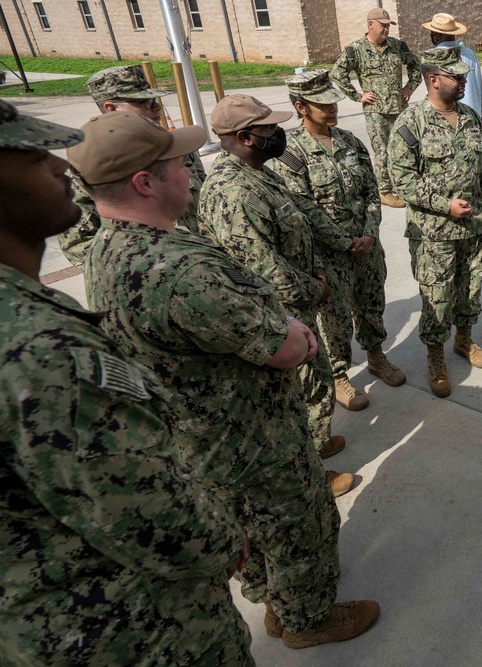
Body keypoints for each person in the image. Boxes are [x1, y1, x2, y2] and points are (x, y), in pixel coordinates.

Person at [70, 110, 378, 650]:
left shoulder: (107, 250)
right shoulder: (178, 270)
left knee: (253, 532)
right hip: (251, 438)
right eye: (179, 164)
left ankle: (278, 604)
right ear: (145, 182)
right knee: (299, 527)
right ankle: (308, 619)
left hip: (201, 439)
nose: (192, 169)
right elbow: (287, 348)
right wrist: (301, 335)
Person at [0, 99, 253, 666]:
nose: (61, 167)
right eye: (30, 154)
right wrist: (225, 541)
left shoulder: (38, 305)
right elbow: (157, 516)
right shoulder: (39, 352)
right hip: (137, 633)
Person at [198, 94, 353, 478]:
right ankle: (311, 470)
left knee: (312, 383)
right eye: (269, 128)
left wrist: (313, 269)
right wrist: (316, 289)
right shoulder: (235, 192)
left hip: (293, 303)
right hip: (275, 313)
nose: (279, 132)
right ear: (247, 136)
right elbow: (264, 270)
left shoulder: (258, 172)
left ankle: (317, 444)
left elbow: (292, 227)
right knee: (301, 392)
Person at [275, 69, 406, 412]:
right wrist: (345, 242)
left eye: (333, 101)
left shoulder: (350, 141)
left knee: (371, 302)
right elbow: (302, 207)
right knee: (333, 317)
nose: (332, 109)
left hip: (365, 245)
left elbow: (372, 192)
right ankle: (339, 375)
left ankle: (376, 355)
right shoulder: (291, 152)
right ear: (301, 107)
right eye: (322, 104)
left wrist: (369, 232)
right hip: (328, 254)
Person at [388, 47, 482, 398]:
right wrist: (444, 205)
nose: (464, 80)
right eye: (456, 76)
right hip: (432, 234)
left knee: (470, 291)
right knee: (437, 299)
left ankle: (464, 341)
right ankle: (436, 358)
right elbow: (402, 180)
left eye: (463, 75)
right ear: (434, 79)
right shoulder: (410, 123)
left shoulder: (472, 118)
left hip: (473, 227)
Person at [58, 64, 205, 267]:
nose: (157, 107)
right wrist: (154, 266)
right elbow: (79, 246)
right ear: (111, 108)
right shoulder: (88, 167)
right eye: (144, 102)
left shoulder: (177, 147)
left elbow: (205, 206)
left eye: (155, 99)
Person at [331, 7, 421, 208]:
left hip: (398, 107)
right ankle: (384, 191)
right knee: (382, 151)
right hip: (376, 111)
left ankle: (400, 183)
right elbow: (337, 73)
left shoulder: (398, 46)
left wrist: (409, 87)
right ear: (370, 24)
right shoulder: (356, 49)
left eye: (388, 26)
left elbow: (416, 66)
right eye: (382, 25)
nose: (386, 29)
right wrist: (357, 96)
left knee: (401, 148)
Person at [423, 12, 482, 117]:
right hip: (474, 117)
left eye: (432, 33)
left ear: (437, 36)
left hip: (447, 121)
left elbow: (432, 95)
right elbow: (479, 89)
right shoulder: (470, 54)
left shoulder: (433, 57)